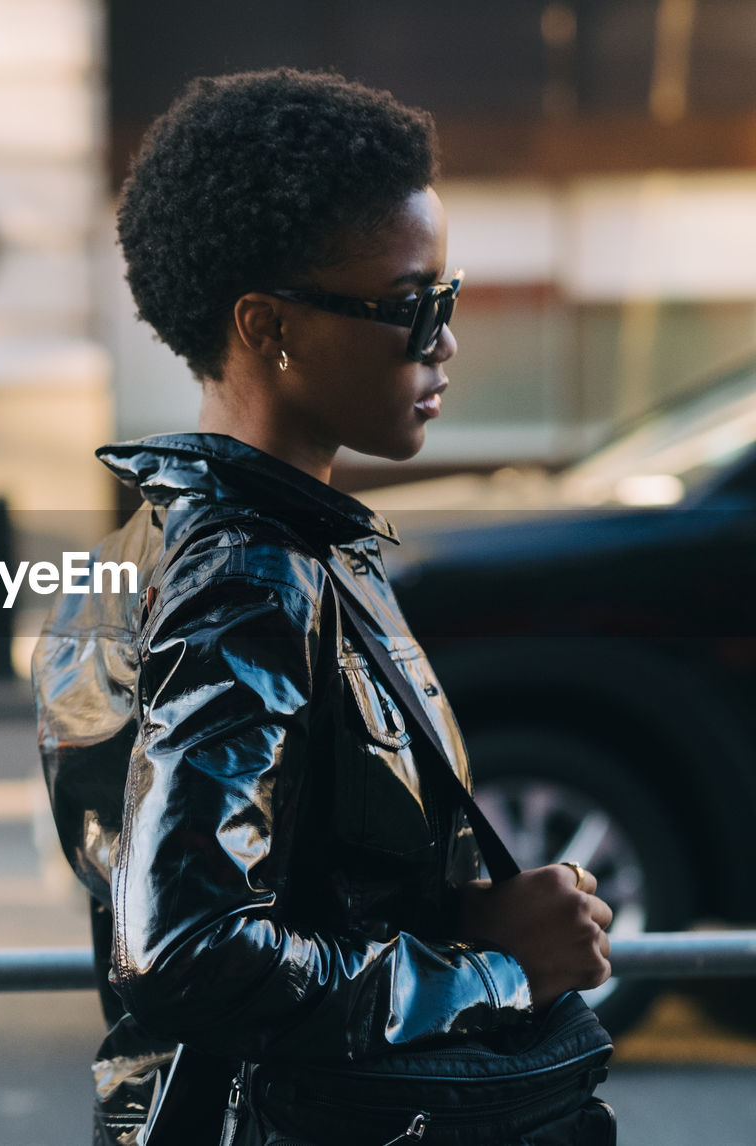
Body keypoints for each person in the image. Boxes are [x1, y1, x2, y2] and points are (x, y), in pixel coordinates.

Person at [32, 68, 614, 1146]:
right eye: (407, 305)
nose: (441, 340)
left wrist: (455, 922)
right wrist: (490, 967)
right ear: (267, 326)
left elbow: (291, 886)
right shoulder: (247, 572)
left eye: (444, 299)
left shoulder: (154, 547)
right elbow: (188, 950)